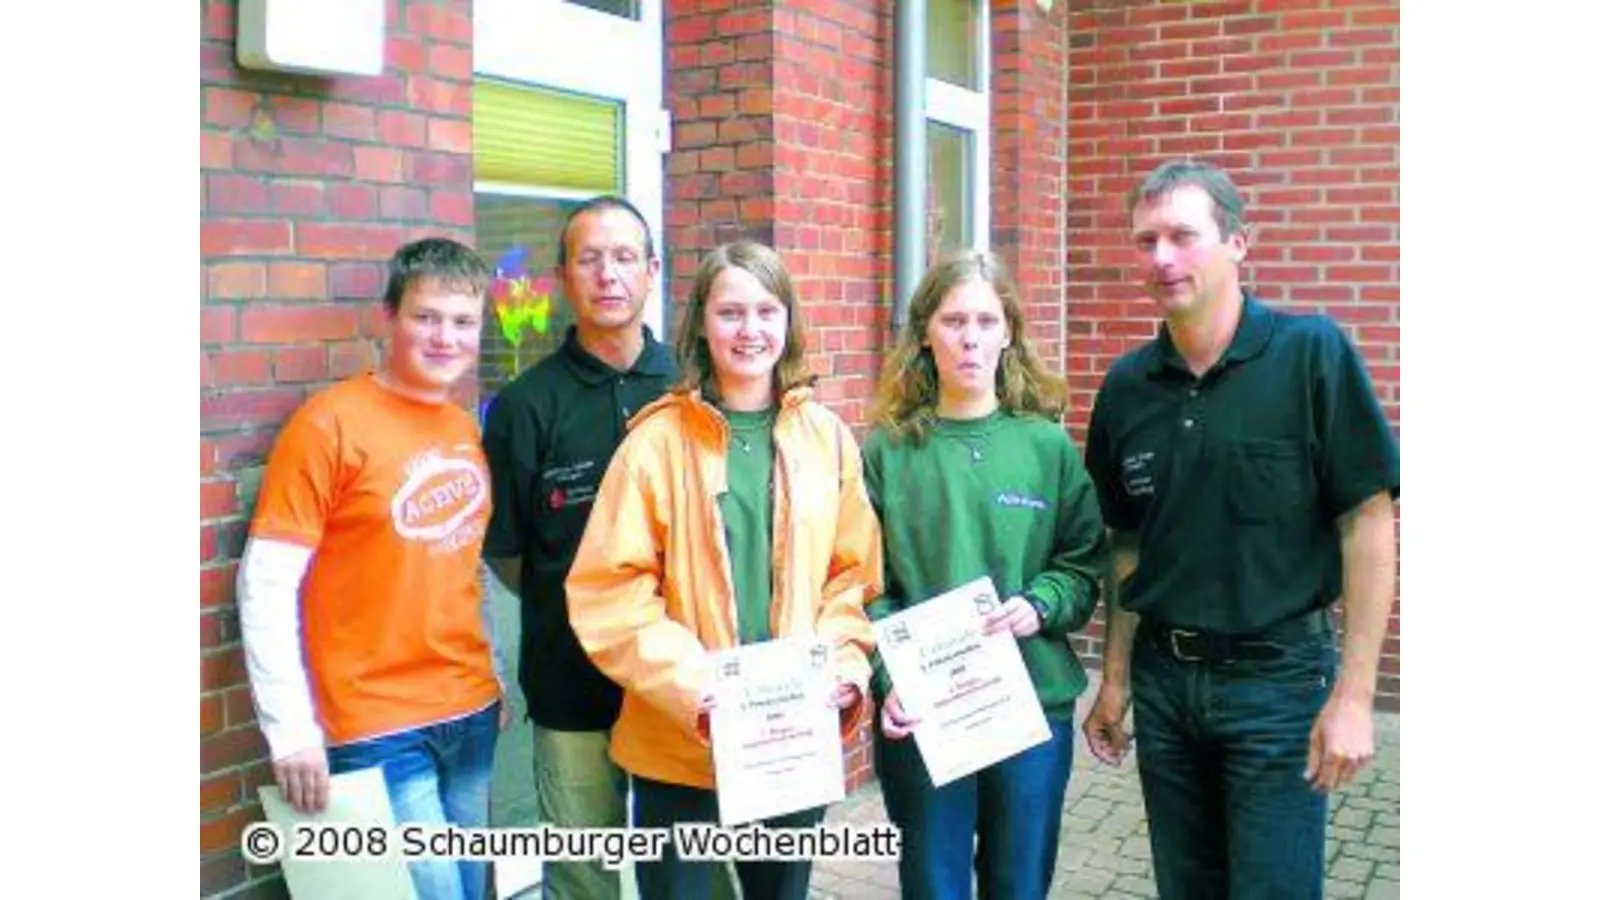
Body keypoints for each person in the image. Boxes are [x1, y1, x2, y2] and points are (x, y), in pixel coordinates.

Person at [1080, 160, 1401, 900]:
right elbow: (1127, 545)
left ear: (1236, 244)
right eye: (1146, 240)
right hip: (1165, 688)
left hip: (1279, 686)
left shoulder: (1311, 354)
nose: (1161, 257)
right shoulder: (1127, 387)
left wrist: (1353, 697)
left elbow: (1368, 524)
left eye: (1183, 236)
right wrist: (1117, 682)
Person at [564, 239, 883, 900]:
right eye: (730, 312)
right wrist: (696, 683)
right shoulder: (654, 443)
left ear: (788, 322)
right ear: (701, 324)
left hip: (790, 738)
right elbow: (609, 590)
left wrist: (846, 672)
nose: (750, 330)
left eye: (767, 311)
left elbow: (853, 578)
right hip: (681, 743)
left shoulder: (826, 438)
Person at [237, 236, 509, 900]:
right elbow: (265, 584)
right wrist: (290, 730)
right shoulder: (328, 425)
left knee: (472, 889)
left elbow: (461, 568)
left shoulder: (462, 429)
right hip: (376, 722)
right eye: (426, 317)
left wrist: (492, 672)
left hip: (470, 710)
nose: (445, 337)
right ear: (389, 317)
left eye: (463, 321)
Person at [482, 195, 735, 900]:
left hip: (687, 684)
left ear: (653, 271)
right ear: (563, 276)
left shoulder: (697, 388)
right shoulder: (525, 406)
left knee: (695, 873)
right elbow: (509, 553)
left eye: (625, 257)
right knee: (583, 876)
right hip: (572, 683)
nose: (608, 274)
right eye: (588, 258)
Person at [860, 250, 1106, 899]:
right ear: (924, 334)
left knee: (1018, 882)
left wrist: (1043, 602)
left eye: (985, 321)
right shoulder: (887, 449)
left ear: (1009, 334)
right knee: (933, 884)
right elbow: (863, 587)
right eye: (952, 320)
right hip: (925, 707)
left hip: (1031, 703)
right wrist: (892, 678)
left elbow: (1083, 562)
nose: (969, 337)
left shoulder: (1045, 445)